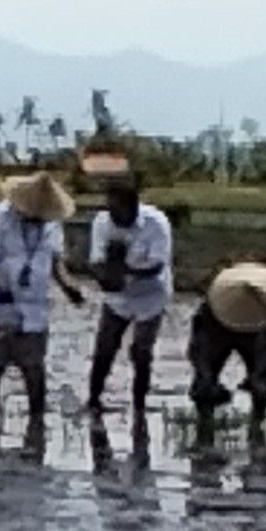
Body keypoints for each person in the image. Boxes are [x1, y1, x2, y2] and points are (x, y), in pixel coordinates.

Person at [0, 171, 83, 431]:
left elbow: (55, 262)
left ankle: (36, 422)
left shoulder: (51, 226)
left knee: (35, 369)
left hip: (34, 311)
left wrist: (68, 287)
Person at [75, 152, 175, 413]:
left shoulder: (156, 224)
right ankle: (94, 400)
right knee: (104, 348)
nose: (114, 215)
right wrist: (104, 276)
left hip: (150, 296)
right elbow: (96, 260)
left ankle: (139, 405)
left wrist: (126, 270)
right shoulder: (102, 222)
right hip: (116, 297)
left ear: (133, 206)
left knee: (141, 352)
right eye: (110, 207)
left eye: (119, 209)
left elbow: (156, 265)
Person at [186, 261, 266, 433]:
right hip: (220, 330)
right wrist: (207, 380)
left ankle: (257, 423)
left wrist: (260, 375)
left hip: (257, 333)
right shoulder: (211, 311)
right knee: (204, 383)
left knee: (261, 381)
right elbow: (198, 352)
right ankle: (205, 425)